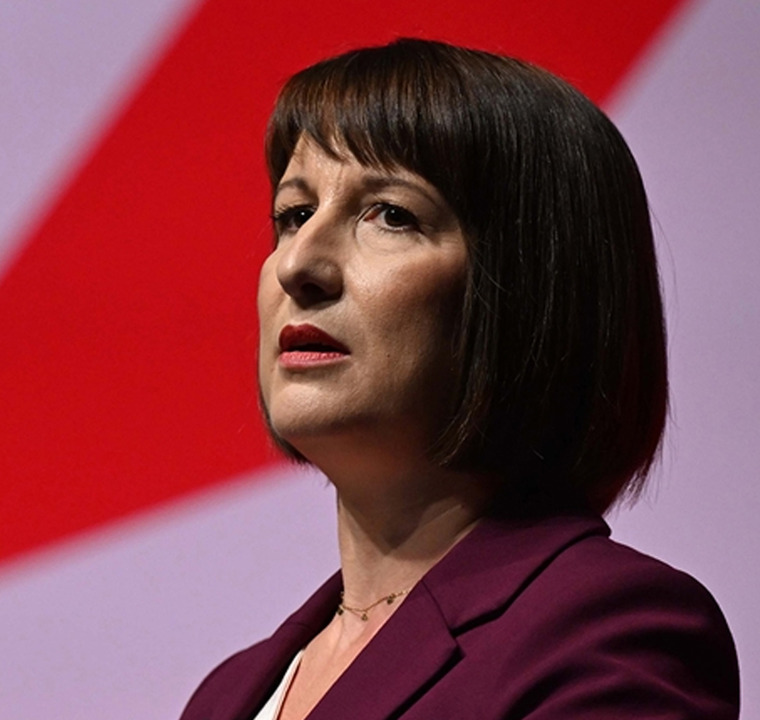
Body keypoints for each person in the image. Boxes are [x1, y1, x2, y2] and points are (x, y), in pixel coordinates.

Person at [179, 38, 738, 720]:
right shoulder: (225, 696)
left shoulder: (609, 631)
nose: (299, 264)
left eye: (391, 214)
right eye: (294, 215)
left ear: (531, 293)